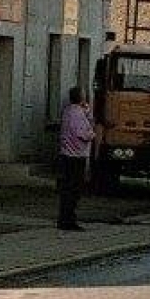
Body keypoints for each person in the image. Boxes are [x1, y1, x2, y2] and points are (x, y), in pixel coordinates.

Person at [57, 86, 94, 231]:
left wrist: (88, 111)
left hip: (67, 154)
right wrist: (92, 134)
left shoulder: (68, 111)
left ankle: (65, 218)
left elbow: (88, 118)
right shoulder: (77, 114)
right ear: (81, 97)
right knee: (74, 190)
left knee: (67, 188)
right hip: (76, 156)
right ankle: (68, 220)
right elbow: (84, 133)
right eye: (84, 95)